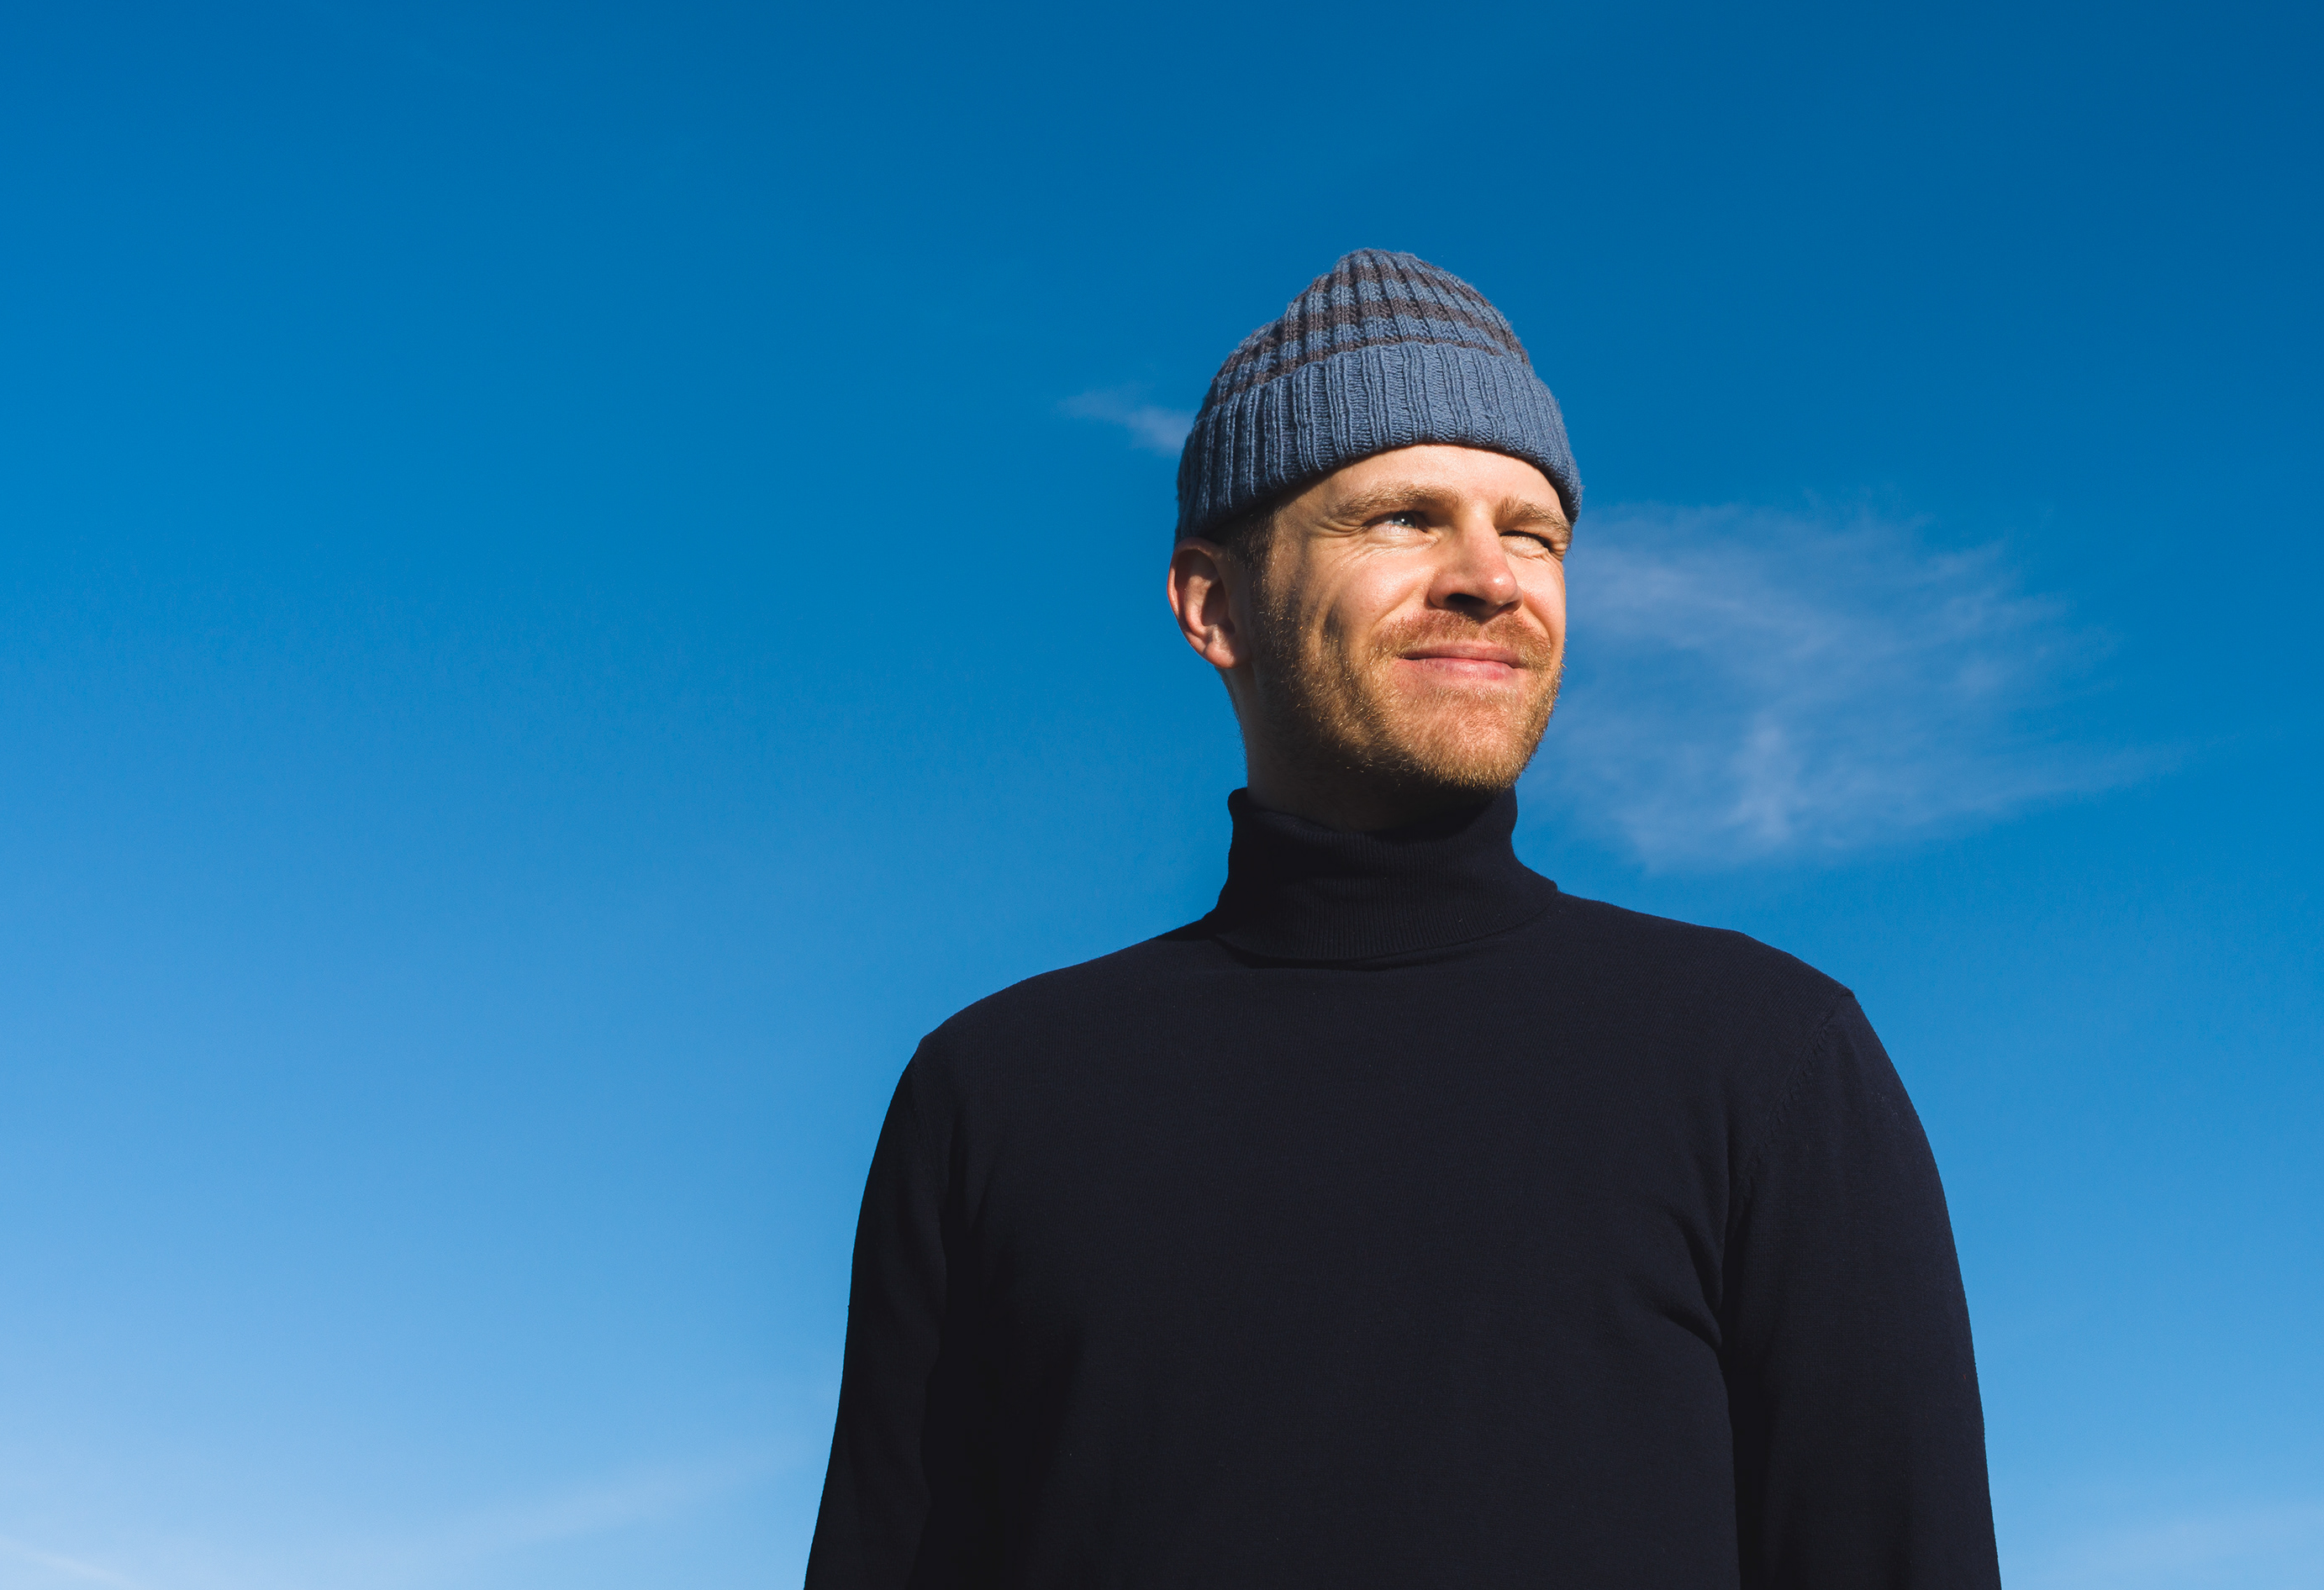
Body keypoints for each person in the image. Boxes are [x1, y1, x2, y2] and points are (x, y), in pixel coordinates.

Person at [805, 250, 2001, 1588]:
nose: (1490, 578)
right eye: (1401, 518)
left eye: (1532, 532)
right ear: (1214, 603)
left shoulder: (1771, 1061)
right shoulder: (993, 1097)